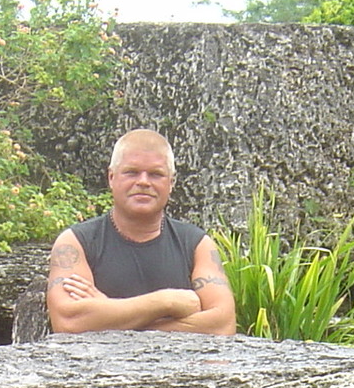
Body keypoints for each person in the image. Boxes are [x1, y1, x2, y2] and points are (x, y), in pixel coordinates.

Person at [45, 130, 238, 334]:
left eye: (156, 174)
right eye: (132, 172)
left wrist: (107, 314)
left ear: (171, 183)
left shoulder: (196, 244)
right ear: (111, 177)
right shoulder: (77, 243)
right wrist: (166, 302)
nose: (144, 182)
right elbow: (68, 322)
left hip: (178, 365)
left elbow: (222, 325)